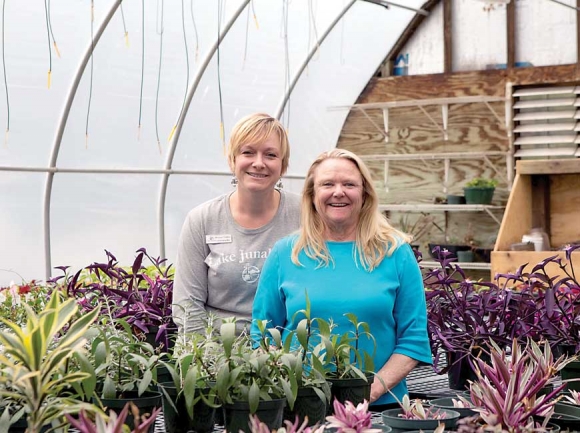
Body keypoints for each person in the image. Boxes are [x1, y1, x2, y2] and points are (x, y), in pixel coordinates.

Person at [250, 148, 431, 408]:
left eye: (349, 184)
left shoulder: (395, 252)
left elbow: (413, 339)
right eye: (327, 184)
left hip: (380, 407)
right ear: (312, 195)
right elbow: (263, 335)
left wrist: (367, 394)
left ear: (365, 194)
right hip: (301, 407)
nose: (338, 192)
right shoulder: (286, 253)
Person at [173, 113, 301, 334]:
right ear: (232, 160)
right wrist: (210, 362)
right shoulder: (202, 219)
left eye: (270, 155)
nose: (259, 163)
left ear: (283, 165)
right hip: (216, 351)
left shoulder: (304, 215)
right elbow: (187, 306)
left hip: (287, 352)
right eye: (248, 152)